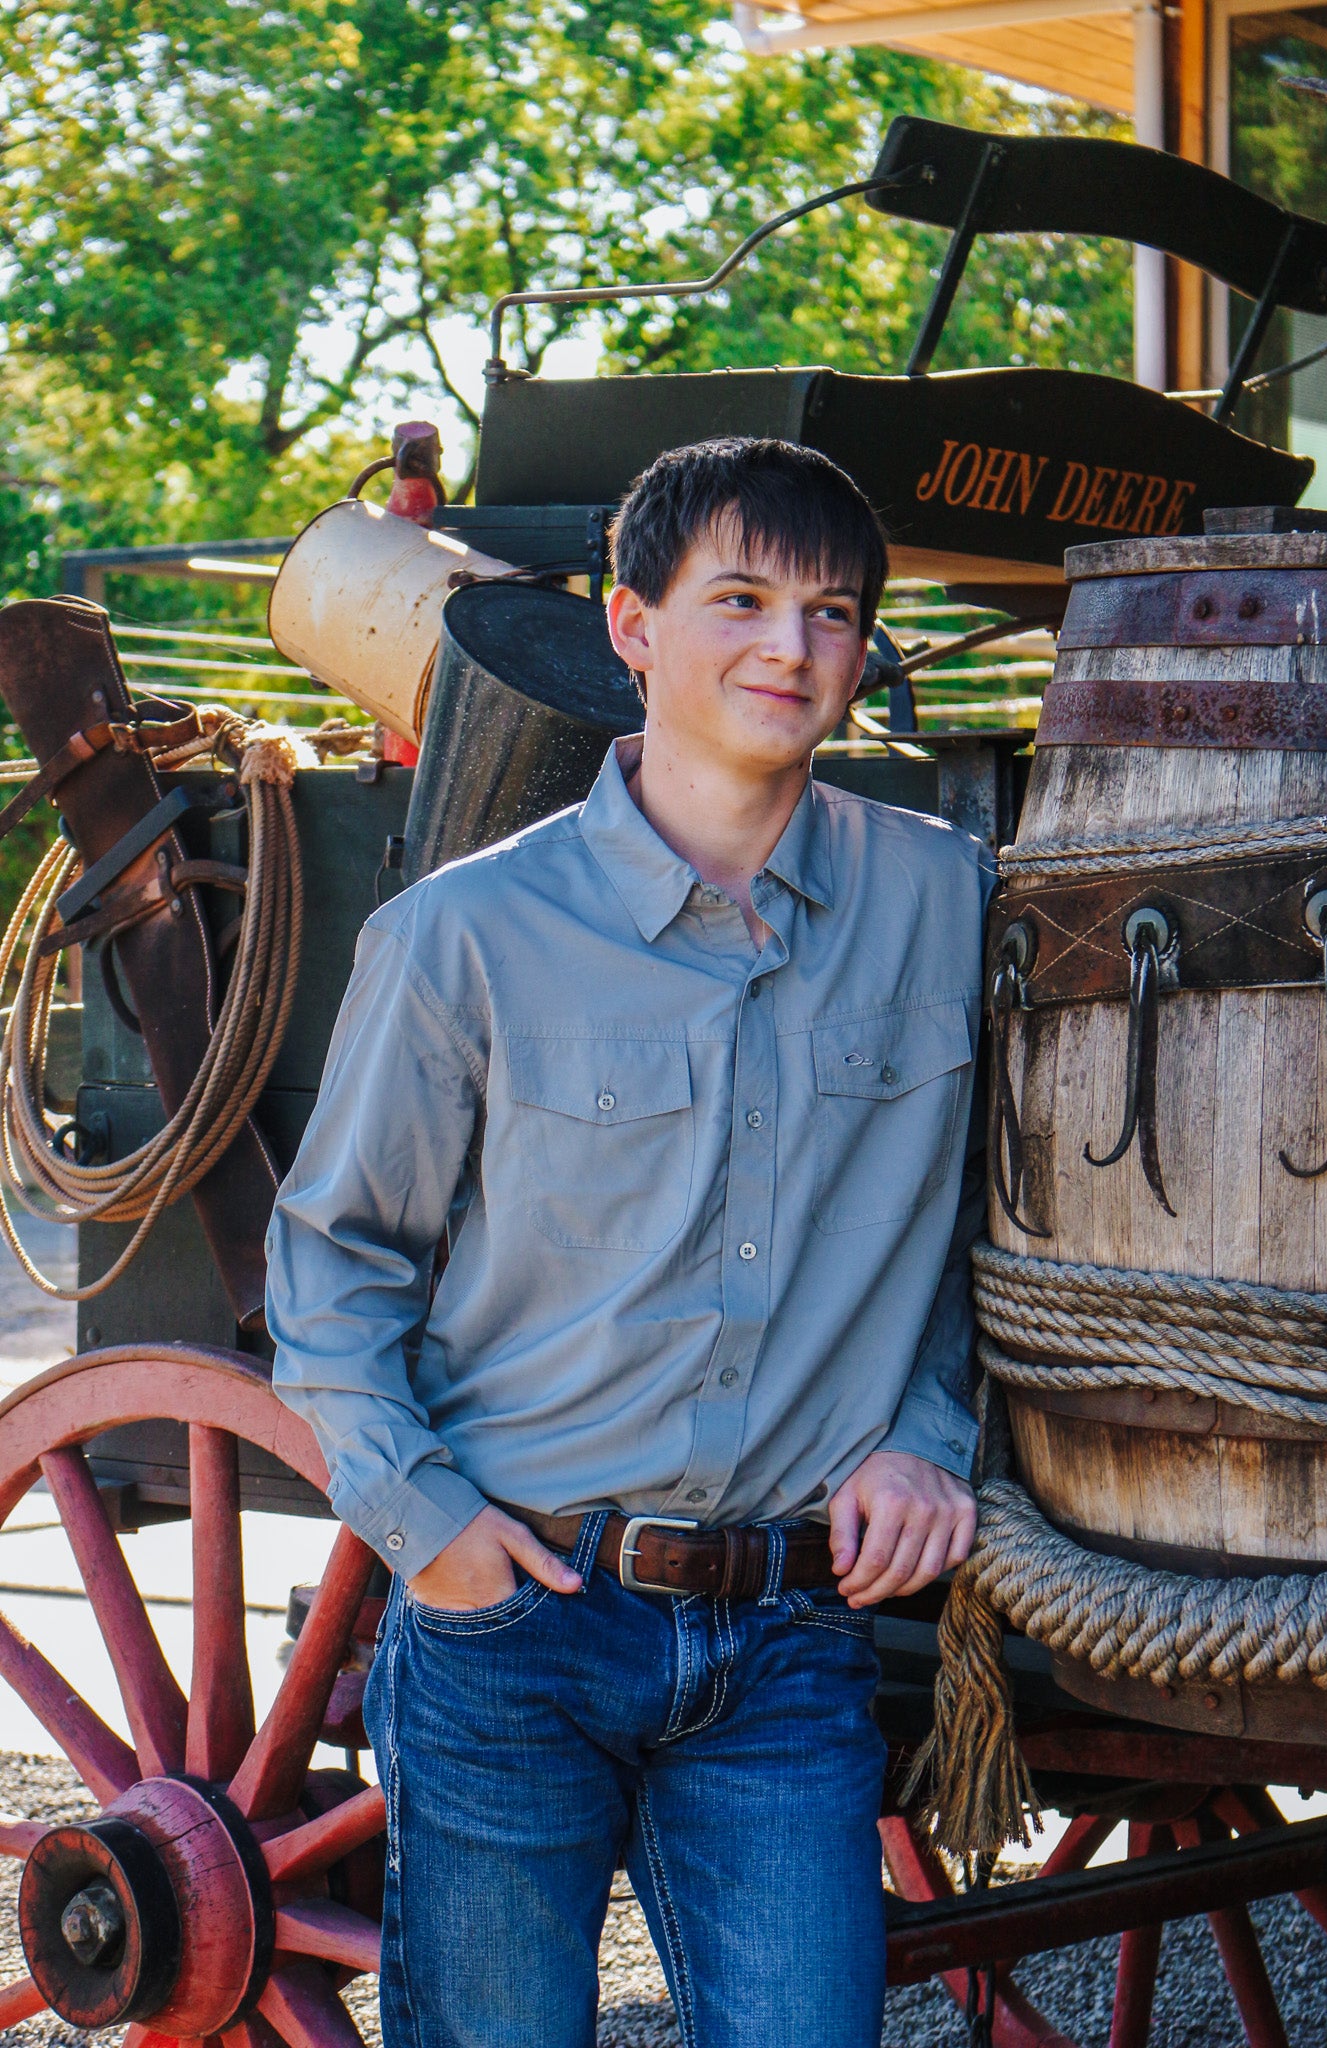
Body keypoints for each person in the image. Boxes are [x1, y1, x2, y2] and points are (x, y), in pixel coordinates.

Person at [266, 435, 991, 2048]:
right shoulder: (464, 937)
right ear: (629, 626)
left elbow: (973, 1233)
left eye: (832, 613)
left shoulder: (954, 903)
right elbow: (334, 1264)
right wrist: (427, 1527)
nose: (789, 649)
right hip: (516, 1616)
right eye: (737, 599)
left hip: (792, 1638)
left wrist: (928, 1437)